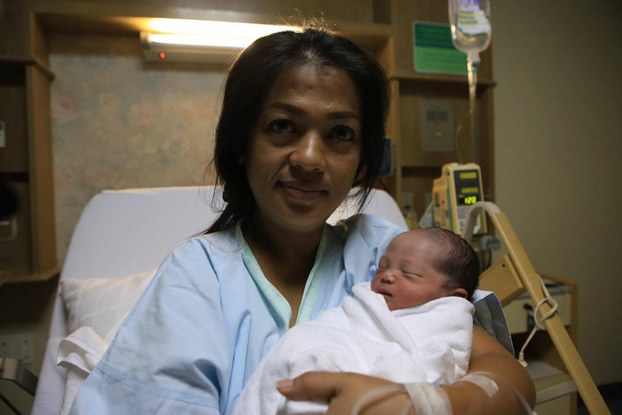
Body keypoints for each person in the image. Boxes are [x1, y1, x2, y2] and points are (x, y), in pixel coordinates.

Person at [70, 24, 535, 415]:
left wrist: (419, 405)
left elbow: (510, 382)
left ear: (361, 158)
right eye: (282, 126)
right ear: (241, 142)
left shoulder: (388, 256)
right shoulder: (196, 279)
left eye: (340, 134)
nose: (310, 159)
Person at [233, 227, 481, 415]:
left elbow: (436, 366)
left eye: (409, 273)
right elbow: (329, 331)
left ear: (453, 297)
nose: (388, 276)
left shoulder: (445, 321)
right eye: (382, 268)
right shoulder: (365, 304)